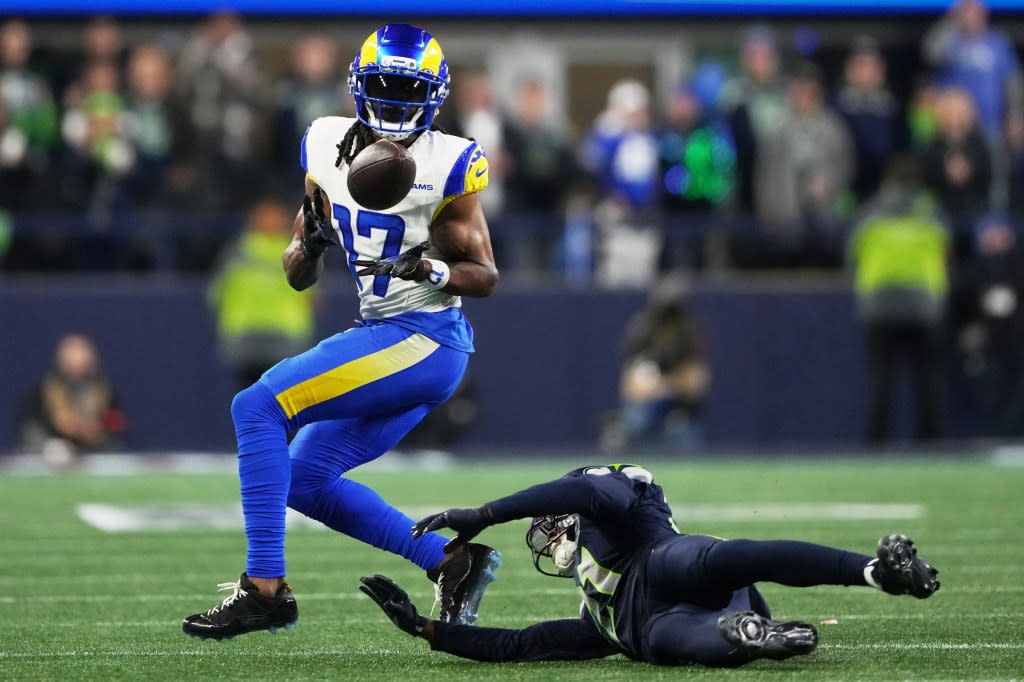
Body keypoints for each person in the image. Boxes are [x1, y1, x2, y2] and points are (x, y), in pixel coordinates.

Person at [182, 23, 501, 641]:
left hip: (426, 336)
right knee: (302, 479)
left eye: (409, 90)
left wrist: (431, 265)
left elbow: (485, 276)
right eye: (385, 86)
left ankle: (263, 590)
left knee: (257, 406)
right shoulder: (324, 143)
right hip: (387, 333)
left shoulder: (449, 163)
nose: (397, 102)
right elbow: (296, 270)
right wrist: (316, 242)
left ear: (435, 96)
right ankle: (450, 561)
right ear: (359, 86)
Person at [360, 464, 940, 667]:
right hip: (666, 625)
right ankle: (750, 636)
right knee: (671, 636)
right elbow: (521, 643)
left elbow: (589, 496)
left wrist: (486, 513)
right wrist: (431, 631)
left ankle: (874, 571)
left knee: (721, 558)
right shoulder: (594, 619)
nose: (548, 535)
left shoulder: (615, 506)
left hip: (665, 566)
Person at [848, 157, 950, 443]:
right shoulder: (931, 212)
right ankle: (932, 445)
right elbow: (947, 248)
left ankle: (878, 445)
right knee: (927, 380)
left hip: (879, 304)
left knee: (881, 380)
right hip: (924, 304)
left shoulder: (870, 211)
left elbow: (850, 251)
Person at [207, 198, 316, 390]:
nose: (271, 220)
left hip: (280, 339)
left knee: (264, 404)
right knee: (271, 404)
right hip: (250, 339)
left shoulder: (238, 252)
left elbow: (215, 295)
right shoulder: (237, 252)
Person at [924, 0, 1023, 209]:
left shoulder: (997, 43)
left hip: (991, 122)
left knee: (997, 169)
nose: (972, 17)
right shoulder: (953, 41)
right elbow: (931, 53)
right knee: (953, 172)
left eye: (976, 11)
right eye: (967, 12)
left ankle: (996, 213)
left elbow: (1012, 82)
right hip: (956, 127)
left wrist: (1015, 116)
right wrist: (951, 20)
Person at [18, 333, 126, 460]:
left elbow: (116, 421)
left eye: (83, 351)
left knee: (113, 448)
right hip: (54, 444)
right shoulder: (47, 386)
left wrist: (96, 428)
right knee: (53, 449)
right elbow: (30, 422)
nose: (80, 357)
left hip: (92, 446)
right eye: (73, 351)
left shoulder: (103, 386)